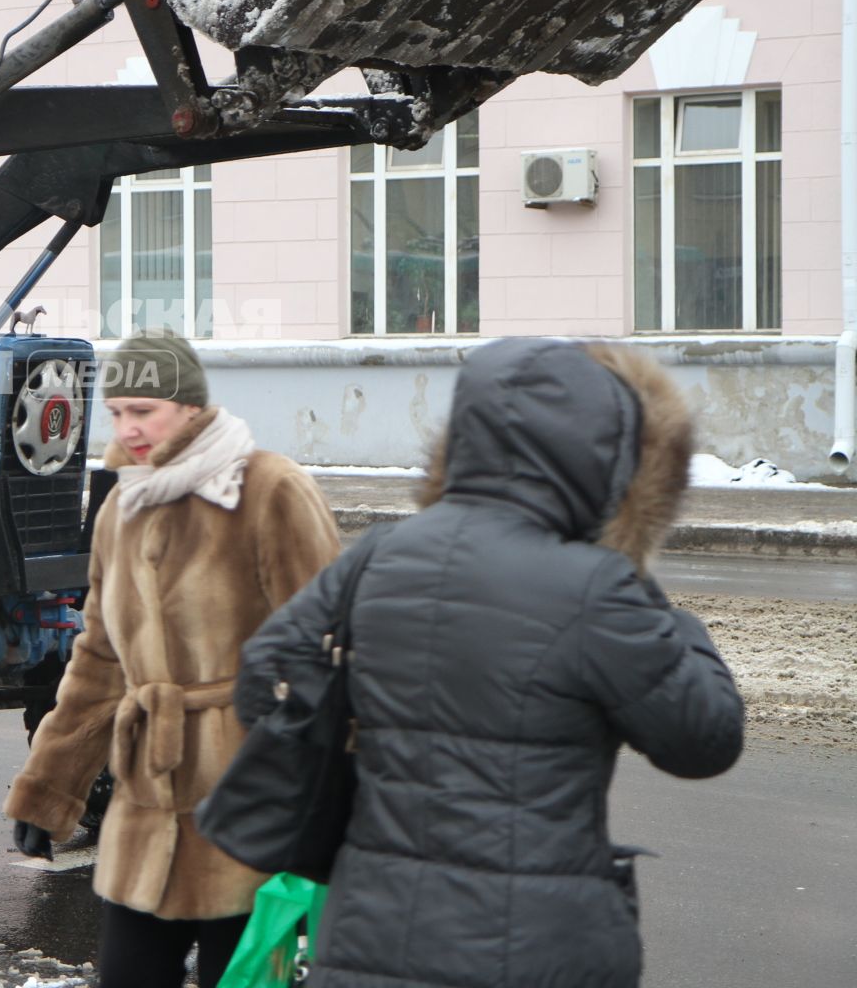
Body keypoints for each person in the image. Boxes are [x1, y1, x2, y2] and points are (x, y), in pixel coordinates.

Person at [235, 338, 744, 988]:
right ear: (606, 454)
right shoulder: (599, 587)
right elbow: (704, 739)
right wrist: (673, 617)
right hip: (536, 946)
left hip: (367, 930)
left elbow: (264, 679)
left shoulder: (382, 553)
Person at [5, 328, 342, 988]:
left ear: (190, 407)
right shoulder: (123, 507)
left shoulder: (268, 489)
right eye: (117, 413)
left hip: (249, 803)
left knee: (239, 978)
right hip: (148, 808)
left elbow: (329, 651)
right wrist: (48, 790)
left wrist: (327, 807)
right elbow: (100, 658)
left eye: (144, 411)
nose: (128, 429)